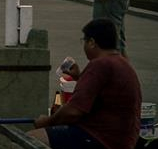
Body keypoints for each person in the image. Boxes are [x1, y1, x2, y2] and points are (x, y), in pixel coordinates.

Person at [28, 18, 142, 149]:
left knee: (30, 139)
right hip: (123, 140)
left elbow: (73, 111)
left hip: (100, 138)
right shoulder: (122, 63)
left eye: (84, 41)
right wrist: (80, 77)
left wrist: (48, 121)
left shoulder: (99, 64)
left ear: (92, 42)